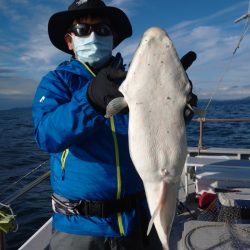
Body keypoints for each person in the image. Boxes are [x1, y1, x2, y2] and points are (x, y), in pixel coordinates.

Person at [32, 0, 197, 249]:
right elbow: (46, 136)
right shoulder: (56, 82)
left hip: (138, 219)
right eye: (82, 30)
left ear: (113, 38)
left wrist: (175, 106)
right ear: (69, 41)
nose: (93, 35)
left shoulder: (136, 81)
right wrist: (88, 100)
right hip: (80, 228)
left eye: (102, 30)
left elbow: (156, 133)